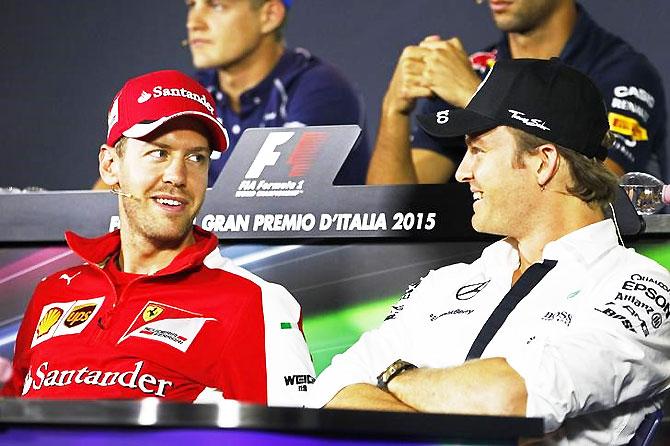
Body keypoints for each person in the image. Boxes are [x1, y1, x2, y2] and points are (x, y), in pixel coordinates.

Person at [310, 58, 670, 445]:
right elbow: (330, 392)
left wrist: (393, 375)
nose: (462, 172)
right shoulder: (446, 283)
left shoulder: (642, 288)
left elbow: (505, 400)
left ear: (542, 162)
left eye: (479, 150)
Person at [1, 70, 315, 405]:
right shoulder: (53, 291)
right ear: (110, 166)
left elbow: (293, 437)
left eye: (196, 158)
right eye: (159, 153)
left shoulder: (255, 302)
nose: (178, 176)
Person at [366, 0, 667, 185]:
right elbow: (395, 216)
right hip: (483, 269)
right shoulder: (472, 72)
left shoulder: (622, 73)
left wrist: (477, 95)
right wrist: (394, 109)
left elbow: (596, 194)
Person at [185, 0, 371, 187]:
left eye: (216, 5)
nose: (193, 23)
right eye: (192, 5)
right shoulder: (194, 93)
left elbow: (273, 203)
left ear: (270, 16)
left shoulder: (320, 88)